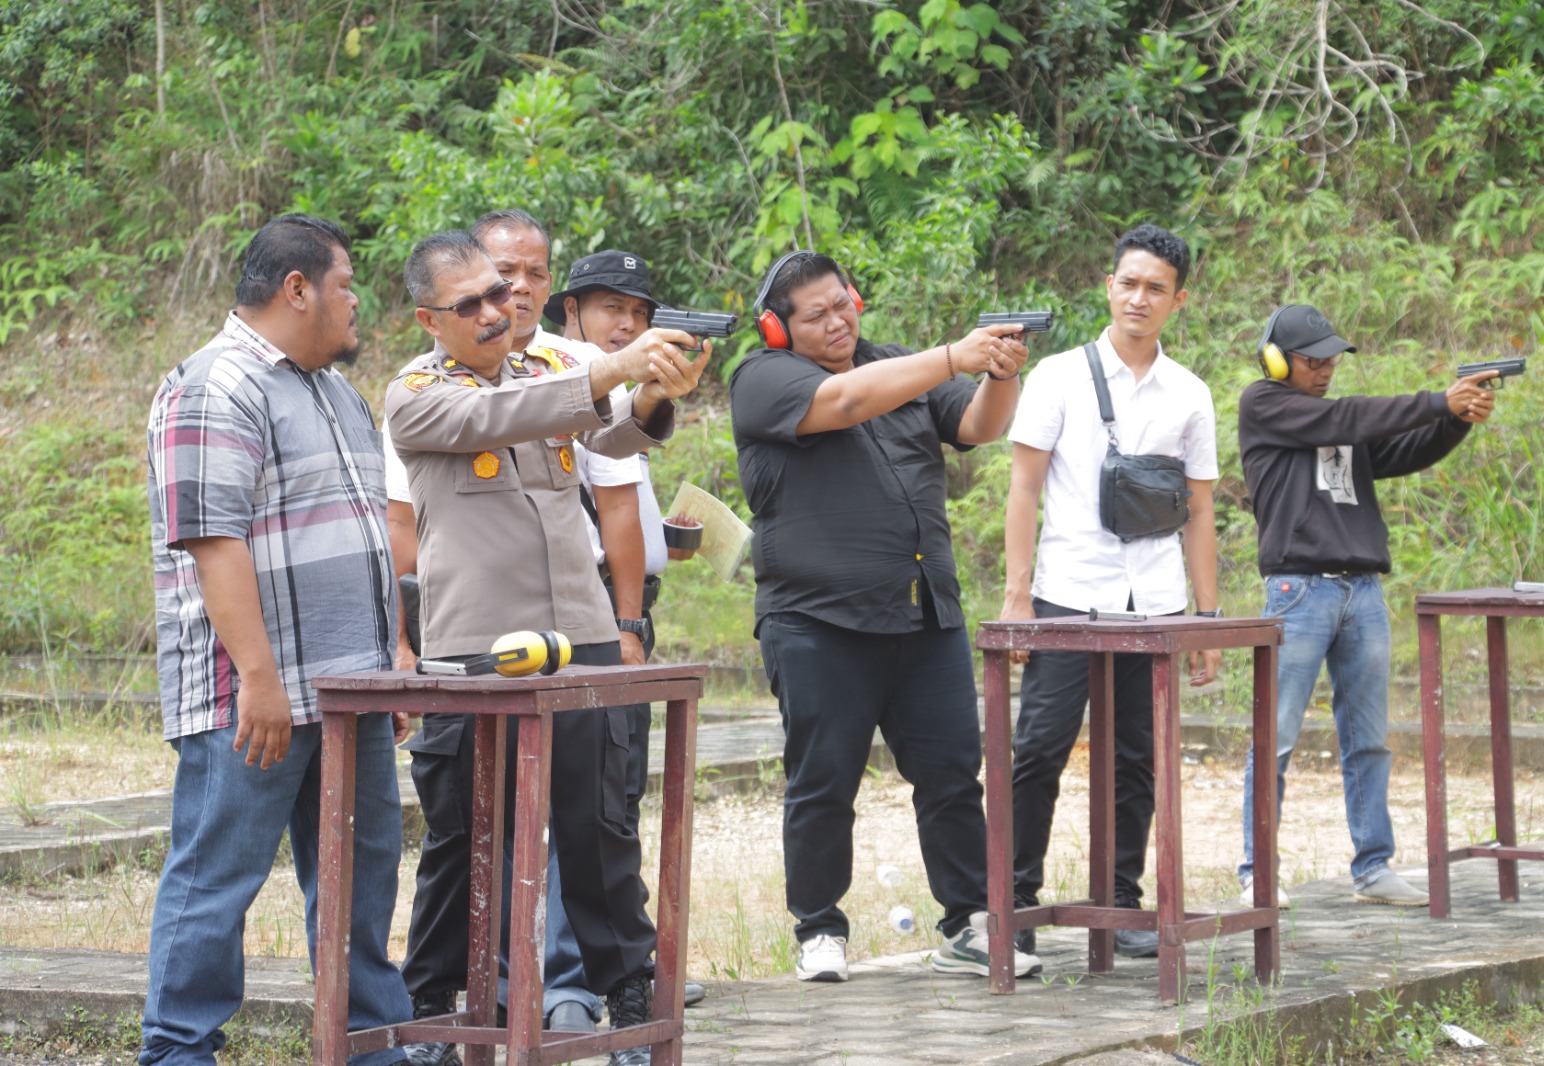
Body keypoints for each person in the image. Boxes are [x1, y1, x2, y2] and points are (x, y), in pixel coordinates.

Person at [388, 228, 707, 1066]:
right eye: (471, 303)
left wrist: (655, 390)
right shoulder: (416, 392)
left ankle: (627, 998)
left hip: (582, 632)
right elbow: (503, 415)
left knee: (600, 826)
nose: (497, 310)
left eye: (500, 291)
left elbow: (617, 438)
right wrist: (614, 367)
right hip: (477, 646)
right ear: (430, 320)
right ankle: (435, 1007)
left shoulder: (548, 369)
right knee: (467, 836)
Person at [141, 214, 413, 1066]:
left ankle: (368, 1043)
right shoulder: (215, 386)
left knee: (360, 878)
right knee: (218, 877)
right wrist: (257, 678)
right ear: (297, 289)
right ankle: (178, 1050)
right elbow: (214, 541)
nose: (355, 301)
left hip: (349, 690)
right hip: (253, 695)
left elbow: (371, 534)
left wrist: (392, 659)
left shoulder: (335, 392)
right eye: (345, 285)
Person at [728, 249, 1042, 983]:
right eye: (816, 315)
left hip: (923, 611)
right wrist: (953, 355)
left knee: (953, 776)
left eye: (842, 304)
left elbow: (979, 424)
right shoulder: (761, 378)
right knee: (823, 782)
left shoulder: (898, 364)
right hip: (817, 620)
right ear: (778, 328)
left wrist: (1000, 373)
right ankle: (819, 929)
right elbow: (843, 403)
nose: (837, 321)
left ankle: (969, 923)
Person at [1001, 223, 1221, 960]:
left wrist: (1208, 617)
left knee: (1137, 756)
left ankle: (1120, 899)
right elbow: (1024, 489)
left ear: (1178, 301)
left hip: (1153, 601)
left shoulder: (1190, 393)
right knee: (1039, 747)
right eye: (1128, 283)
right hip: (1068, 592)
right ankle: (1016, 900)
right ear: (1108, 286)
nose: (1139, 298)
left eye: (1156, 288)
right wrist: (1018, 596)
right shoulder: (1058, 376)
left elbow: (1199, 510)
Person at [1236, 304, 1498, 907]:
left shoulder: (1333, 424)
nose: (1326, 369)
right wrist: (1437, 399)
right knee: (1275, 737)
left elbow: (1403, 453)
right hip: (1298, 591)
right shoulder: (1264, 402)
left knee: (1369, 740)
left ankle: (1374, 868)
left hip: (1362, 592)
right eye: (1312, 360)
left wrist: (1456, 419)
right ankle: (1258, 874)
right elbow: (1349, 416)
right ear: (1276, 359)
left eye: (1332, 359)